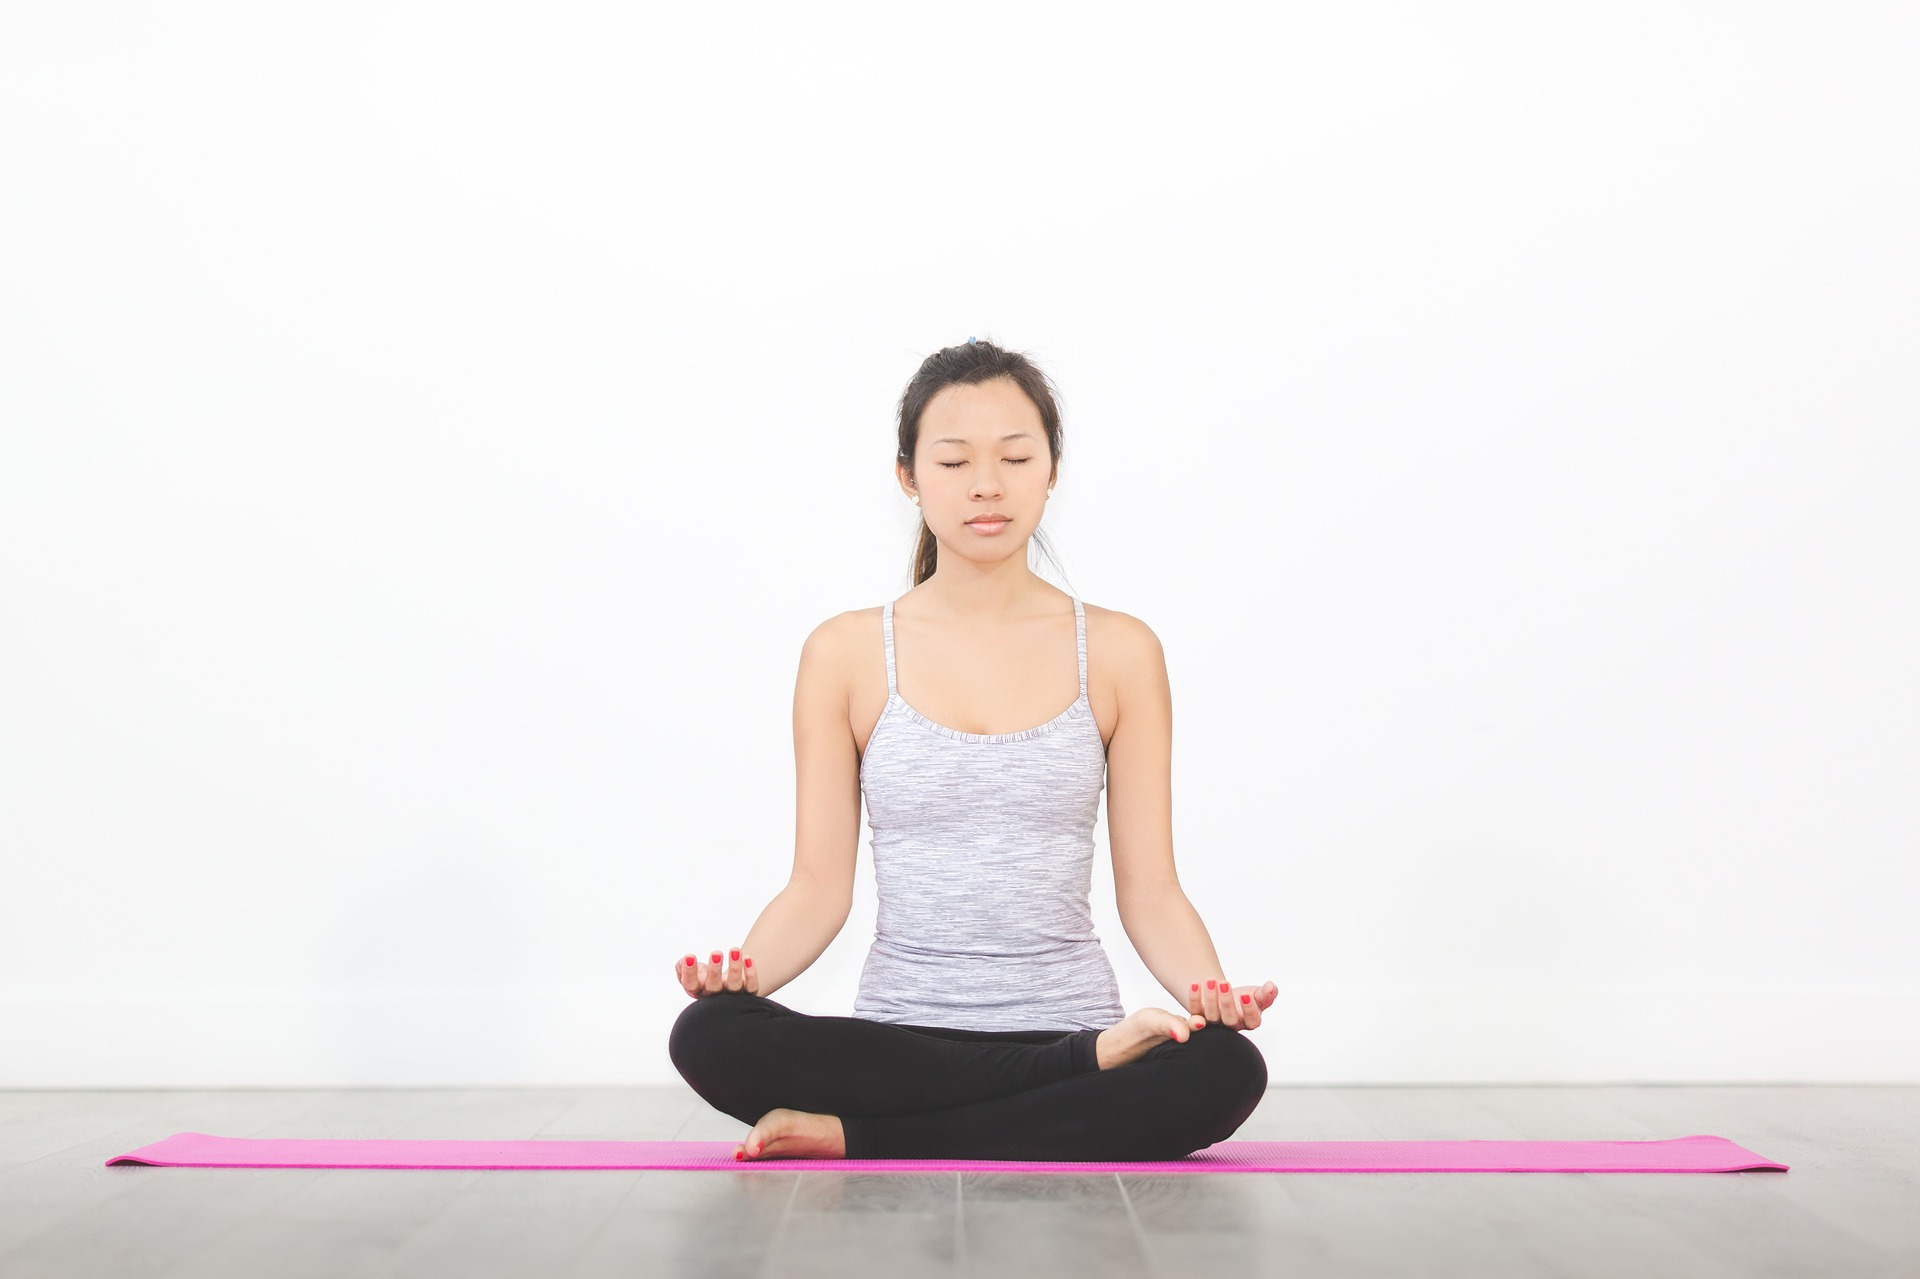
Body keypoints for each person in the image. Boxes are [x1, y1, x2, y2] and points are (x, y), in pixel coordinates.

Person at [669, 338, 1275, 1161]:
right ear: (909, 477)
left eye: (1015, 457)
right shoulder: (846, 653)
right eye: (953, 462)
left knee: (1225, 1067)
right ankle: (1049, 1087)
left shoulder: (1122, 651)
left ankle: (866, 1136)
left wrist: (1209, 998)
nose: (986, 484)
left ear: (1050, 469)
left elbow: (1153, 888)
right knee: (707, 1032)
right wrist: (740, 979)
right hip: (902, 1043)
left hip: (1068, 1020)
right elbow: (816, 886)